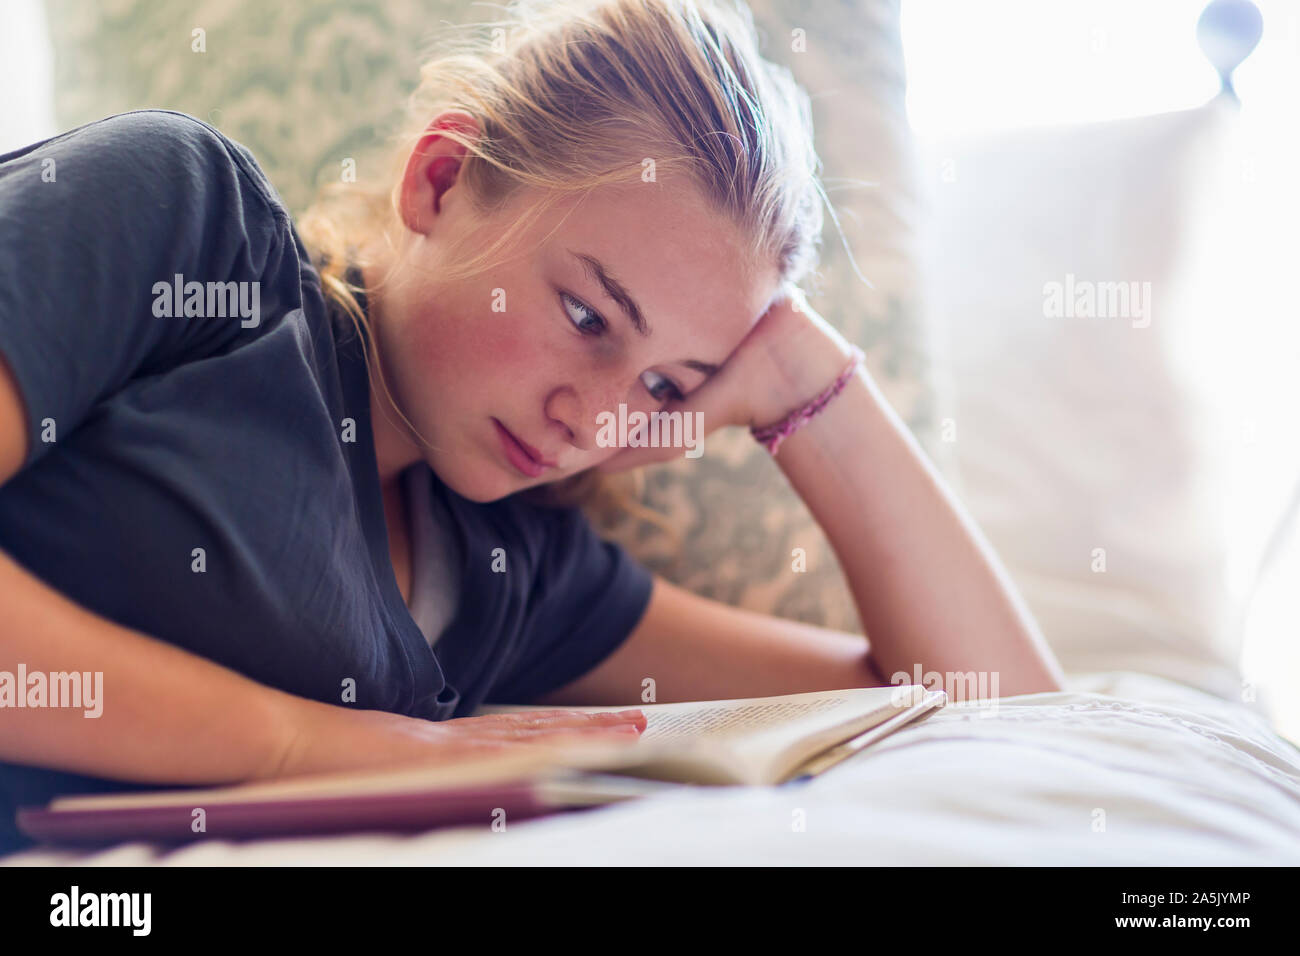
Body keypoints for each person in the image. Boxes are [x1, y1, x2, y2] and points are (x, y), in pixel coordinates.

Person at [0, 0, 1063, 853]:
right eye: (588, 314)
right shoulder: (193, 224)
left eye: (662, 386)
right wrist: (311, 745)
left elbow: (999, 715)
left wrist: (809, 388)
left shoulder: (513, 569)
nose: (592, 419)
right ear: (442, 177)